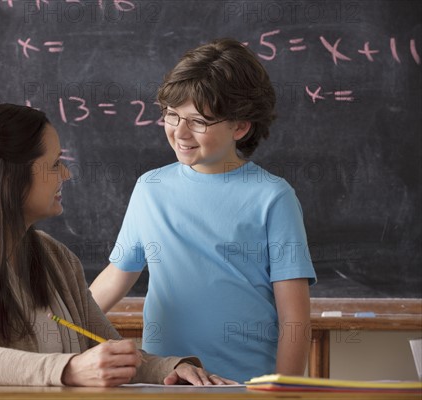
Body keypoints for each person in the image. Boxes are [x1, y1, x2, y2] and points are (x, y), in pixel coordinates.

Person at [0, 104, 236, 387]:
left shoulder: (56, 256)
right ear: (10, 178)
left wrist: (172, 368)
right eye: (53, 165)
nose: (65, 174)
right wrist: (70, 369)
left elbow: (110, 349)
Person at [89, 38, 317, 382]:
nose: (180, 132)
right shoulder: (150, 188)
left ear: (240, 126)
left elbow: (295, 318)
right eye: (171, 115)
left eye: (198, 121)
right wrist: (49, 323)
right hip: (166, 380)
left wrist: (283, 390)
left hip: (245, 385)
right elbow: (116, 276)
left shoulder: (273, 197)